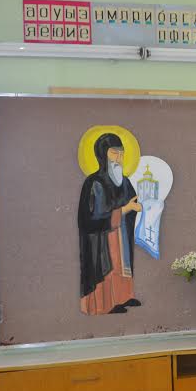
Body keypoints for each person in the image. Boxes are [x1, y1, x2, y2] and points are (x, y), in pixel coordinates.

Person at [78, 133, 143, 315]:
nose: (119, 158)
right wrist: (124, 210)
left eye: (121, 154)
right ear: (103, 155)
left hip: (122, 234)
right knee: (108, 266)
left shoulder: (125, 181)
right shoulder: (93, 183)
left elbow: (133, 202)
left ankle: (124, 296)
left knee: (123, 264)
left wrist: (138, 207)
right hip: (102, 239)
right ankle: (105, 304)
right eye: (114, 153)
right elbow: (89, 219)